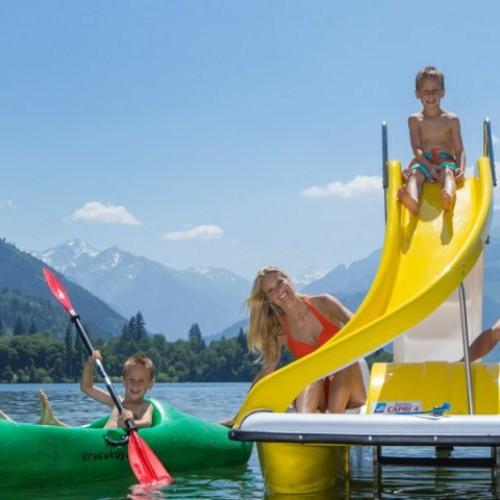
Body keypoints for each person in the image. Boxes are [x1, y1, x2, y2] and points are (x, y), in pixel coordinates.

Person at [221, 266, 367, 426]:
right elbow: (267, 371)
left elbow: (361, 328)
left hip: (351, 389)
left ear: (289, 280)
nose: (279, 290)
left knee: (343, 360)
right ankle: (301, 428)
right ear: (269, 299)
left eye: (280, 282)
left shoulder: (324, 303)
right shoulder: (280, 330)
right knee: (308, 371)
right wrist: (239, 416)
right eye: (271, 290)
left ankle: (333, 425)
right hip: (317, 394)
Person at [0, 352, 156, 429]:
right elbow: (86, 388)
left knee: (69, 433)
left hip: (106, 442)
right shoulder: (116, 400)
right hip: (99, 438)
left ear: (150, 384)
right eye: (131, 380)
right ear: (123, 381)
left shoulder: (145, 406)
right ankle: (17, 426)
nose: (135, 385)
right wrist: (90, 364)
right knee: (72, 432)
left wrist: (133, 421)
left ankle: (50, 422)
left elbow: (147, 422)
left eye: (141, 381)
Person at [397, 66, 466, 216]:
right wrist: (428, 166)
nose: (430, 95)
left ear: (443, 91)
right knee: (415, 176)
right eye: (425, 91)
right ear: (417, 94)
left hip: (445, 162)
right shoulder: (414, 120)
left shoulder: (452, 120)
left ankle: (448, 198)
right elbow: (417, 149)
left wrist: (461, 167)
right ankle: (413, 201)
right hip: (423, 162)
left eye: (435, 90)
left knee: (448, 174)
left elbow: (459, 149)